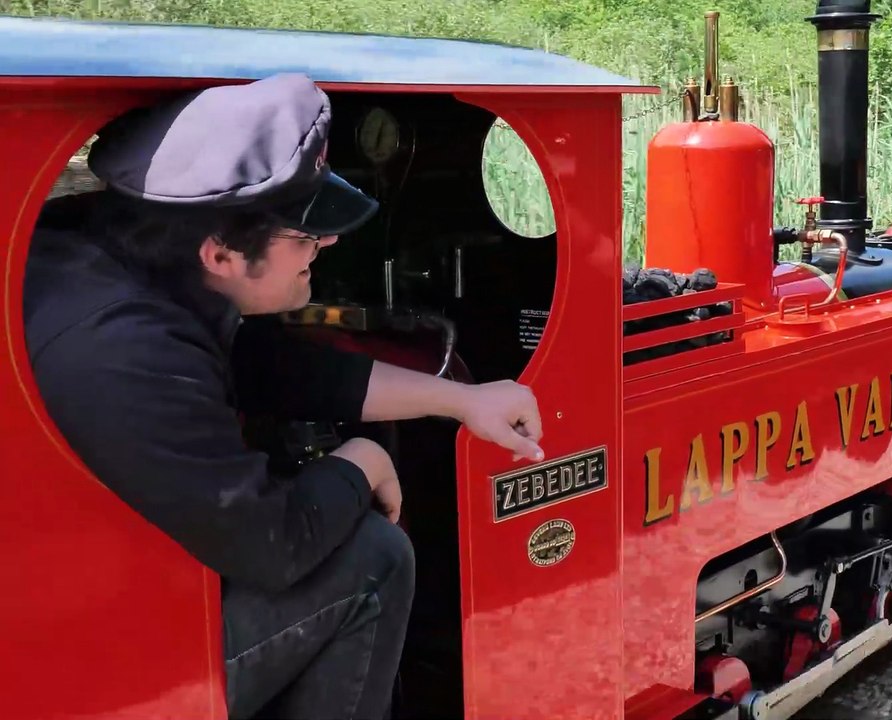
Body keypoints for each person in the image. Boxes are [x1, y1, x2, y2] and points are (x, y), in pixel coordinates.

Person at [22, 73, 546, 719]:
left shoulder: (117, 252)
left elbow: (259, 365)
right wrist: (362, 462)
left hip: (70, 597)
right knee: (372, 559)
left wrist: (459, 400)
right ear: (220, 255)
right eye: (304, 237)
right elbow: (272, 547)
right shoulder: (121, 350)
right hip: (67, 672)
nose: (327, 245)